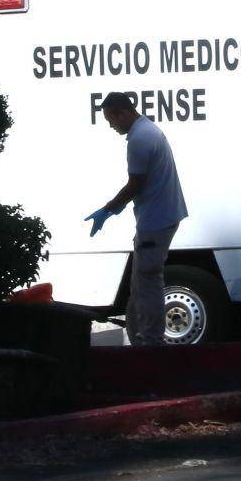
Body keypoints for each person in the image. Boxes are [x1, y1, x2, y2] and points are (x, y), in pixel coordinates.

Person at [88, 93, 188, 346]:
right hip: (159, 216)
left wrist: (108, 209)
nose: (111, 126)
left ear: (121, 113)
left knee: (148, 282)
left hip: (155, 220)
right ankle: (138, 338)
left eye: (111, 119)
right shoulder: (147, 130)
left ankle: (152, 342)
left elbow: (135, 184)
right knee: (139, 283)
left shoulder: (140, 139)